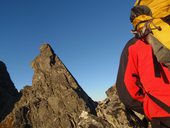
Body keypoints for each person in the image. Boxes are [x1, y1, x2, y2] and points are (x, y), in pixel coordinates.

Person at [116, 5, 170, 128]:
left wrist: (148, 107)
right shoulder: (167, 31)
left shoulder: (133, 46)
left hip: (162, 114)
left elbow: (127, 92)